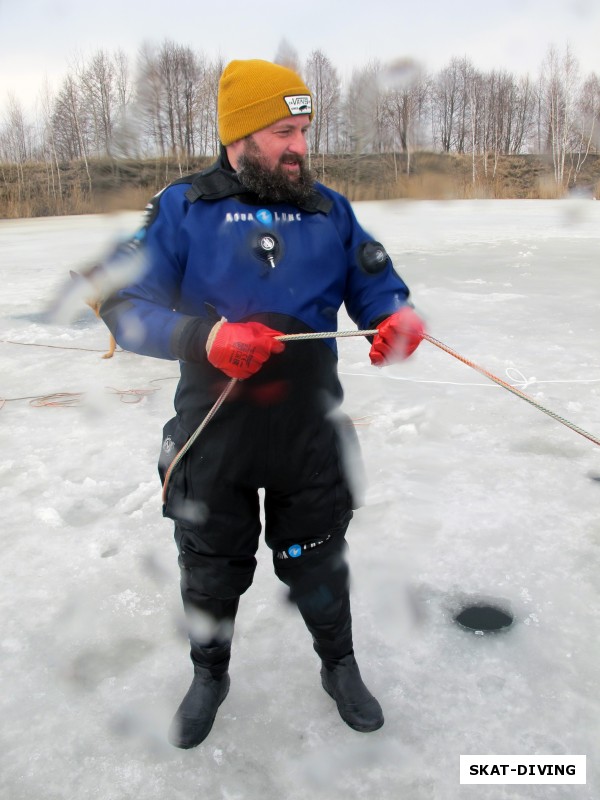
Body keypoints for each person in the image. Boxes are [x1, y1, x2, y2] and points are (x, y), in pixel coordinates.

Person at [100, 58, 426, 749]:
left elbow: (377, 286)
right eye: (283, 131)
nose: (300, 146)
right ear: (239, 135)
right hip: (214, 430)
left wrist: (394, 318)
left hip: (307, 428)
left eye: (304, 130)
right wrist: (205, 336)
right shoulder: (184, 208)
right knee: (210, 561)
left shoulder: (328, 208)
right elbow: (121, 304)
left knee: (320, 558)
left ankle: (339, 664)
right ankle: (209, 673)